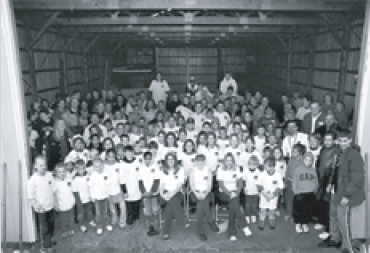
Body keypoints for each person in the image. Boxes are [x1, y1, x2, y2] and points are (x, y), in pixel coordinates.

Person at [318, 130, 365, 253]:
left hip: (344, 193)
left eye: (345, 141)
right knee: (333, 216)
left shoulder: (354, 155)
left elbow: (357, 178)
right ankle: (335, 239)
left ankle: (348, 246)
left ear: (350, 140)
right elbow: (334, 170)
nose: (342, 143)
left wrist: (347, 195)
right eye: (340, 141)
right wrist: (329, 184)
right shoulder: (338, 153)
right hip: (335, 190)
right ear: (337, 141)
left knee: (343, 220)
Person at [216, 152, 252, 241]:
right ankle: (243, 225)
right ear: (224, 161)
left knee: (233, 206)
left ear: (233, 161)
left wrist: (236, 192)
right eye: (227, 160)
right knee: (234, 203)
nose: (229, 162)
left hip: (235, 193)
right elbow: (220, 184)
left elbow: (240, 182)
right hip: (223, 193)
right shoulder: (220, 169)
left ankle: (232, 233)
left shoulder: (237, 169)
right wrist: (229, 193)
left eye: (230, 160)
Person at [315, 131, 340, 240]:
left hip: (329, 181)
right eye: (326, 140)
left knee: (328, 205)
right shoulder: (322, 149)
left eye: (330, 140)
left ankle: (328, 229)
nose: (327, 142)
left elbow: (334, 169)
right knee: (321, 201)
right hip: (321, 179)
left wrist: (330, 183)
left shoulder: (337, 152)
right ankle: (322, 220)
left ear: (334, 140)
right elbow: (319, 163)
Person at [27, 156, 55, 252]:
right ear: (35, 166)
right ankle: (45, 247)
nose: (43, 167)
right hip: (41, 209)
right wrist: (37, 206)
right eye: (40, 165)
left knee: (51, 224)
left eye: (44, 165)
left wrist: (54, 201)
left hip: (50, 206)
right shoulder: (33, 180)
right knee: (44, 228)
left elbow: (53, 188)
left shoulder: (49, 175)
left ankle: (49, 240)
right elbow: (30, 196)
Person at [189, 154, 219, 241]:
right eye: (198, 161)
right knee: (200, 203)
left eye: (202, 161)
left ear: (204, 161)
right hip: (195, 193)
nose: (200, 163)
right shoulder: (192, 171)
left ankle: (201, 231)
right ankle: (210, 220)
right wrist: (197, 193)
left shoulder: (208, 170)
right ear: (195, 162)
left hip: (207, 193)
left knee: (199, 206)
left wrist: (205, 193)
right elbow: (192, 185)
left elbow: (209, 185)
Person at [159, 153, 188, 240]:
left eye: (172, 159)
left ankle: (166, 231)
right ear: (166, 161)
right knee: (171, 205)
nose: (170, 161)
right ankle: (182, 220)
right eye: (168, 159)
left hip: (177, 193)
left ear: (175, 160)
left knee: (171, 204)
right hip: (165, 193)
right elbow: (161, 185)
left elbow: (179, 185)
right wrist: (162, 195)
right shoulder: (162, 170)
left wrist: (171, 194)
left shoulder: (180, 170)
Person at [292, 152, 318, 234]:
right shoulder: (298, 169)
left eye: (310, 160)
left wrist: (315, 189)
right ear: (303, 160)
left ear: (312, 162)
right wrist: (295, 191)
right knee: (298, 209)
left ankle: (305, 223)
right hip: (300, 193)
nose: (308, 162)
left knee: (308, 209)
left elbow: (316, 181)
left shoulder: (313, 170)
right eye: (306, 159)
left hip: (310, 193)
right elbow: (294, 181)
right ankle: (298, 223)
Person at [256, 157, 284, 230]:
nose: (265, 167)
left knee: (272, 210)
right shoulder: (262, 174)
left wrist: (272, 195)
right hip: (264, 195)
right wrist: (265, 194)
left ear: (272, 167)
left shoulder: (278, 175)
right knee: (263, 210)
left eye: (266, 166)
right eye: (265, 166)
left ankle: (272, 220)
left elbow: (280, 186)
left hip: (273, 196)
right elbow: (259, 185)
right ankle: (261, 220)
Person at [138, 151, 161, 237]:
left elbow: (157, 180)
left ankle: (155, 220)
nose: (148, 160)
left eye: (149, 159)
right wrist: (144, 192)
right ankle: (147, 220)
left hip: (153, 192)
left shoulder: (155, 167)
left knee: (154, 207)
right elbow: (140, 181)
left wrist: (151, 191)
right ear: (144, 159)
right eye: (146, 159)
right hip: (145, 193)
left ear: (152, 159)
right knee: (147, 208)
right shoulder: (141, 168)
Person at [119, 145, 142, 229]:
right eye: (128, 153)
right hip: (128, 189)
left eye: (131, 152)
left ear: (133, 153)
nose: (130, 154)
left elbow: (141, 175)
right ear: (124, 153)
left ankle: (136, 218)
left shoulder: (137, 162)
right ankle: (129, 222)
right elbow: (122, 180)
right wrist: (124, 191)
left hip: (137, 188)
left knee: (136, 205)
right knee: (129, 207)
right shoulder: (122, 165)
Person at [89, 157, 113, 235]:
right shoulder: (93, 175)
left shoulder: (105, 174)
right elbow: (91, 187)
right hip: (97, 198)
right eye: (96, 166)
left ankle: (107, 224)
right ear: (93, 167)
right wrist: (93, 196)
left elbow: (108, 184)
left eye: (100, 165)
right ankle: (99, 226)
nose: (98, 168)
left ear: (102, 165)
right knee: (98, 213)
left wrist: (108, 194)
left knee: (105, 212)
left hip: (105, 197)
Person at [104, 149, 126, 229]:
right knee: (112, 208)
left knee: (122, 206)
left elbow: (122, 178)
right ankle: (114, 220)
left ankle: (122, 222)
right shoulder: (104, 167)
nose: (111, 158)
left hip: (118, 190)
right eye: (109, 156)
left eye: (113, 156)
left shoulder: (118, 165)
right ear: (106, 157)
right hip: (109, 191)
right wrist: (106, 193)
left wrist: (123, 190)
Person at [53, 163, 76, 238]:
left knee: (71, 218)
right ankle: (64, 230)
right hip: (61, 204)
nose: (62, 173)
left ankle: (70, 229)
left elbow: (71, 190)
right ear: (56, 173)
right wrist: (56, 204)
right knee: (63, 220)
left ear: (66, 172)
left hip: (70, 203)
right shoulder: (55, 183)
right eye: (59, 172)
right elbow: (54, 195)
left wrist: (73, 199)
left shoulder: (68, 180)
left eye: (63, 171)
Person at [72, 159, 95, 233]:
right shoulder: (75, 179)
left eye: (83, 168)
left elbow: (90, 186)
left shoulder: (88, 175)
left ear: (85, 168)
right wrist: (78, 201)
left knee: (89, 211)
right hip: (80, 200)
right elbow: (75, 192)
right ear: (76, 169)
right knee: (80, 214)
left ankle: (90, 220)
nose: (81, 170)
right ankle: (81, 225)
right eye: (79, 169)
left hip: (88, 198)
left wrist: (91, 196)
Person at [242, 155, 261, 224]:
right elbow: (243, 180)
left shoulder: (258, 172)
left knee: (254, 205)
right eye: (250, 164)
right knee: (247, 205)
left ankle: (253, 215)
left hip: (255, 192)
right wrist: (244, 188)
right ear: (248, 164)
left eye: (254, 164)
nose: (252, 166)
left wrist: (259, 191)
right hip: (248, 191)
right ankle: (247, 215)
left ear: (257, 165)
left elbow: (259, 183)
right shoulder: (246, 171)